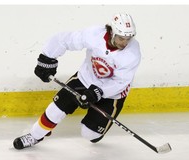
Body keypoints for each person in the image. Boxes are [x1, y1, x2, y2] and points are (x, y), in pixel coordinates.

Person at [13, 13, 141, 150]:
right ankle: (35, 135)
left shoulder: (132, 53)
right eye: (121, 38)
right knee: (55, 109)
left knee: (89, 134)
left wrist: (99, 92)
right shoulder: (94, 34)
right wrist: (47, 58)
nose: (125, 43)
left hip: (111, 94)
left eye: (128, 38)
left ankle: (97, 132)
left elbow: (121, 82)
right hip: (85, 80)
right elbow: (65, 40)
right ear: (111, 32)